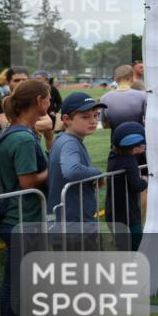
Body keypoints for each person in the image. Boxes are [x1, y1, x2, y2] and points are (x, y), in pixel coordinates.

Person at [0, 79, 51, 316]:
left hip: (18, 221)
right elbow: (27, 182)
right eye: (48, 97)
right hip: (20, 222)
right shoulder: (23, 139)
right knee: (11, 288)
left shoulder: (16, 133)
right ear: (39, 101)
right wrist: (54, 170)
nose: (49, 102)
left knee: (20, 286)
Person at [48, 93, 107, 236]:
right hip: (74, 225)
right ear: (67, 119)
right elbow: (72, 171)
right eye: (86, 116)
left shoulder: (65, 139)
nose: (93, 121)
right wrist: (97, 173)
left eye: (96, 115)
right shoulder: (69, 142)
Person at [105, 122, 149, 251]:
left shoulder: (114, 155)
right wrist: (145, 180)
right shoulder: (129, 161)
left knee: (122, 248)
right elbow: (137, 185)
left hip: (112, 212)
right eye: (144, 144)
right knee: (136, 245)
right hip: (128, 214)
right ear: (135, 149)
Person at [101, 65, 148, 134]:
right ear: (131, 78)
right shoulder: (142, 95)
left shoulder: (105, 98)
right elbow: (148, 121)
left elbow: (104, 125)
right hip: (139, 138)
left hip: (116, 140)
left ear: (116, 79)